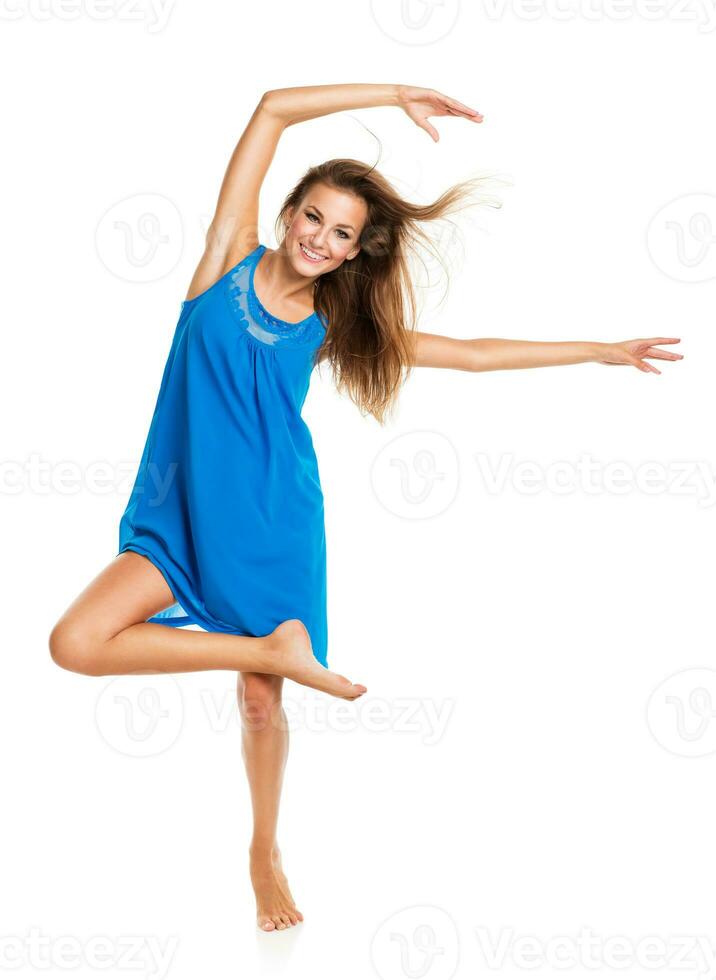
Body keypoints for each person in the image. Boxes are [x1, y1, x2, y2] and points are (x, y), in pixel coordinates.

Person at [48, 83, 683, 932]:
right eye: (313, 217)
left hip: (272, 524)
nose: (321, 237)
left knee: (262, 701)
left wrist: (598, 350)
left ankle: (262, 850)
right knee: (75, 642)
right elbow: (271, 108)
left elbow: (471, 354)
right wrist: (391, 94)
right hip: (174, 523)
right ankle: (266, 648)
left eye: (342, 233)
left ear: (353, 254)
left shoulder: (331, 327)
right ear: (287, 213)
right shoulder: (223, 261)